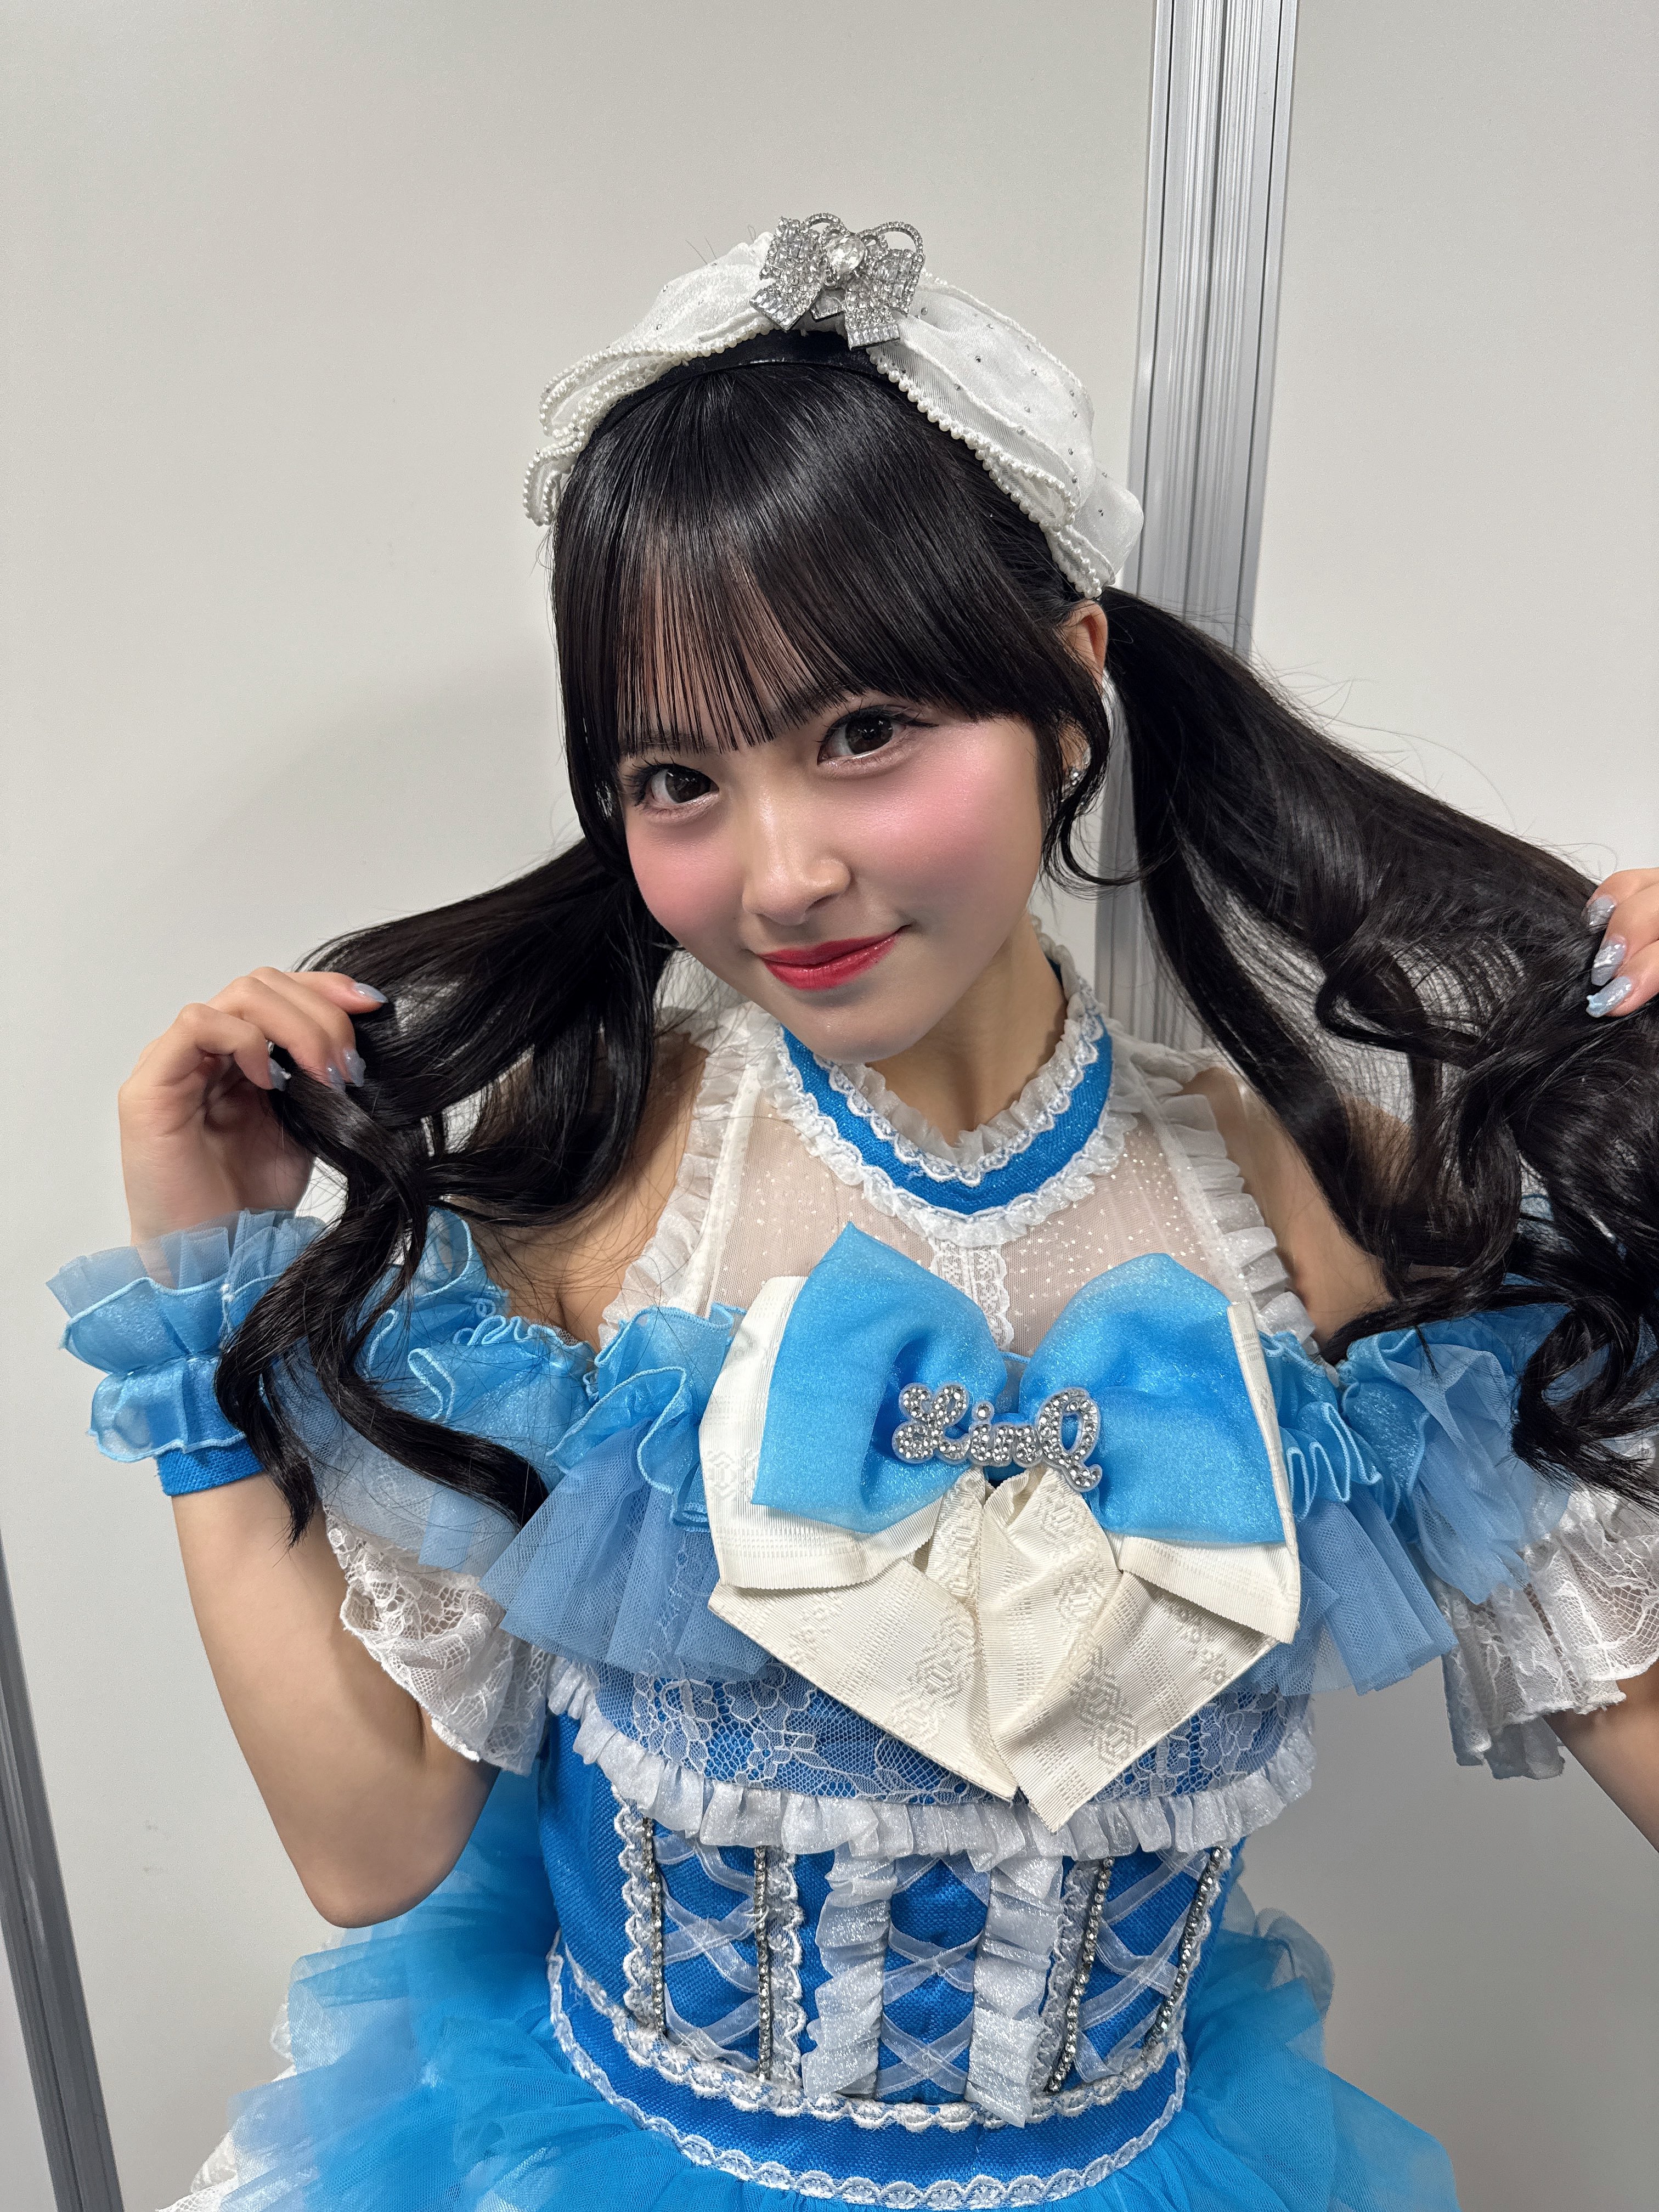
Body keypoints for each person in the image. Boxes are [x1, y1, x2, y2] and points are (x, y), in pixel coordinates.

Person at [53, 216, 1659, 2212]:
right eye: (678, 778)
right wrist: (205, 1292)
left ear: (1067, 688)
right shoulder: (592, 1186)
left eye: (865, 734)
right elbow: (368, 1846)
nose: (784, 872)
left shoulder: (1318, 1206)